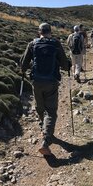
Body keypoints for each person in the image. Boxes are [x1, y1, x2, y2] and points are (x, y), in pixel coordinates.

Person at [20, 23, 70, 156]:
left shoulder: (32, 44)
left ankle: (44, 127)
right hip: (51, 82)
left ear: (39, 32)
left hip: (36, 81)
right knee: (51, 111)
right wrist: (66, 67)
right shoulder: (56, 44)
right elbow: (65, 64)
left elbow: (23, 63)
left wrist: (23, 70)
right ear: (50, 32)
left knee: (40, 107)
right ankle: (46, 140)